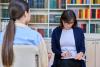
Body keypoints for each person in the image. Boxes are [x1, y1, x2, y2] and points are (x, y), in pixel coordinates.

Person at [0, 0, 48, 67]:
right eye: (29, 12)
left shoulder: (1, 36)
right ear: (25, 13)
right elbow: (44, 64)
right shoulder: (36, 37)